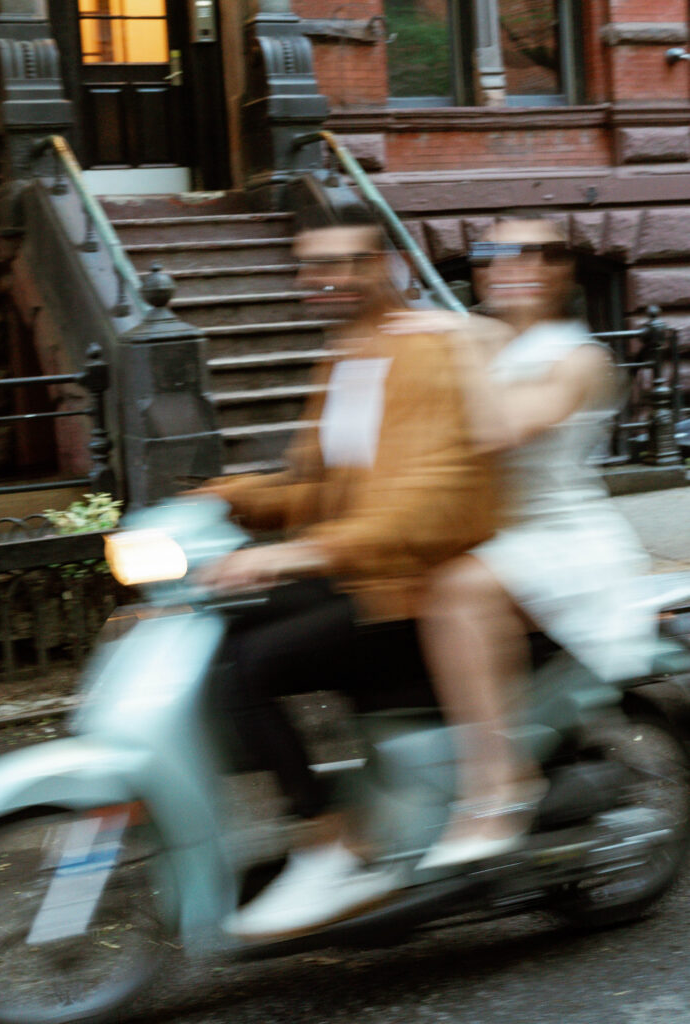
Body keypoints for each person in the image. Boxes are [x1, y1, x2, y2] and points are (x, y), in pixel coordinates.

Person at [190, 208, 508, 938]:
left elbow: (426, 507)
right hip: (363, 573)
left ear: (384, 265)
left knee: (250, 665)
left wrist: (293, 553)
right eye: (309, 266)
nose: (323, 280)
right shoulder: (347, 356)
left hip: (413, 590)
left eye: (343, 263)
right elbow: (317, 489)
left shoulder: (424, 356)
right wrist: (223, 499)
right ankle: (306, 815)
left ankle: (331, 844)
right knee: (211, 634)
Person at [384, 215, 656, 871]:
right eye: (490, 253)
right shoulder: (483, 342)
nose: (506, 265)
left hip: (562, 541)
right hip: (492, 530)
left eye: (529, 253)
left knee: (457, 591)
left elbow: (499, 429)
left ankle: (501, 785)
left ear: (557, 271)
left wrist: (462, 341)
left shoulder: (578, 358)